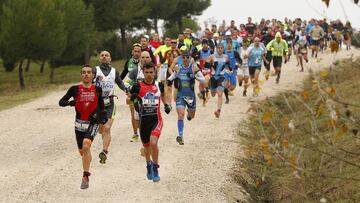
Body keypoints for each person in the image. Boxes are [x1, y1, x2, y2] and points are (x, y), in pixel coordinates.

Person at [59, 64, 108, 189]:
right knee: (83, 152)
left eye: (88, 72)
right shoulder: (74, 89)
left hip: (93, 122)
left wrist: (103, 118)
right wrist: (70, 103)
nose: (86, 74)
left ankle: (85, 176)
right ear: (81, 75)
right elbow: (61, 102)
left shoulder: (97, 89)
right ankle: (88, 160)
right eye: (84, 72)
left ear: (93, 75)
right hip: (79, 124)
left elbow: (102, 106)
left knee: (86, 146)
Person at [130, 62, 171, 182]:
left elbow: (162, 95)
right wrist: (132, 97)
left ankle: (156, 167)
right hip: (144, 123)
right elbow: (129, 100)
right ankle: (148, 165)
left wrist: (166, 105)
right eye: (146, 72)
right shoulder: (138, 86)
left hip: (156, 120)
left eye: (151, 72)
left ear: (155, 72)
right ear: (143, 72)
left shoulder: (159, 85)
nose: (149, 75)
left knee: (154, 143)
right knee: (147, 148)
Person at [94, 51, 127, 164]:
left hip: (110, 103)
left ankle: (104, 151)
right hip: (97, 103)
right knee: (101, 130)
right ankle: (102, 134)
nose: (104, 57)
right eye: (102, 55)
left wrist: (128, 91)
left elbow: (120, 83)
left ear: (110, 58)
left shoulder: (114, 72)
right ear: (99, 58)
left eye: (106, 55)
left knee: (107, 128)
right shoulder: (95, 70)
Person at [167, 50, 205, 145]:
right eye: (183, 57)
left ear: (190, 58)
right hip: (180, 95)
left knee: (192, 116)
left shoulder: (194, 67)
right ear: (181, 58)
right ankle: (180, 136)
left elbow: (203, 80)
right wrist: (169, 80)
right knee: (180, 115)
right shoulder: (178, 67)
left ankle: (189, 113)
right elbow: (173, 76)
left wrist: (194, 77)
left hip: (191, 96)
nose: (185, 59)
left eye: (187, 57)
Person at [121, 44, 143, 142]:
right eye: (135, 51)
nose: (137, 53)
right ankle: (135, 134)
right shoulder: (128, 62)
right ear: (132, 52)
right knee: (133, 113)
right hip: (131, 91)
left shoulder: (144, 63)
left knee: (143, 112)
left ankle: (144, 132)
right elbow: (123, 75)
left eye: (139, 51)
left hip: (143, 91)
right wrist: (125, 88)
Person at [206, 44, 230, 118]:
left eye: (221, 48)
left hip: (221, 77)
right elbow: (205, 66)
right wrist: (210, 64)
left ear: (223, 49)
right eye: (219, 48)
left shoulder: (226, 57)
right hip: (213, 77)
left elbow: (228, 67)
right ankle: (212, 89)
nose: (220, 49)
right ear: (216, 49)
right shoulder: (212, 56)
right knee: (213, 94)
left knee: (220, 94)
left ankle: (218, 110)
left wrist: (228, 78)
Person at [224, 37, 241, 104]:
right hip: (225, 70)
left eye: (230, 43)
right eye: (227, 43)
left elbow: (239, 60)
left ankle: (227, 91)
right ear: (226, 44)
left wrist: (239, 64)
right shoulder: (223, 52)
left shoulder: (235, 52)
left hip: (233, 71)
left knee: (233, 86)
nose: (229, 44)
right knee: (225, 84)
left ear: (232, 44)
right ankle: (227, 99)